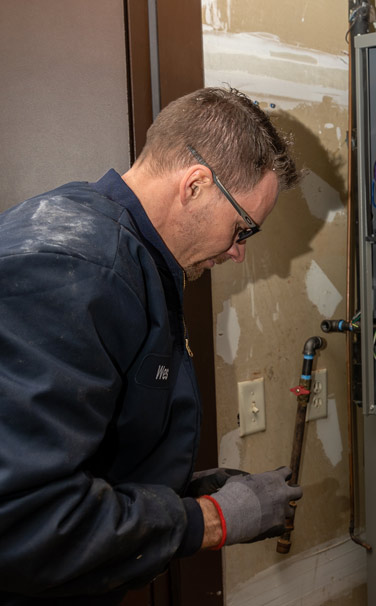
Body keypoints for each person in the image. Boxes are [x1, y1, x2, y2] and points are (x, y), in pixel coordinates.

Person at [0, 87, 303, 604]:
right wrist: (209, 520)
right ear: (195, 185)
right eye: (242, 229)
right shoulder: (76, 268)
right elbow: (26, 521)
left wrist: (176, 488)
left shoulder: (127, 254)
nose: (238, 253)